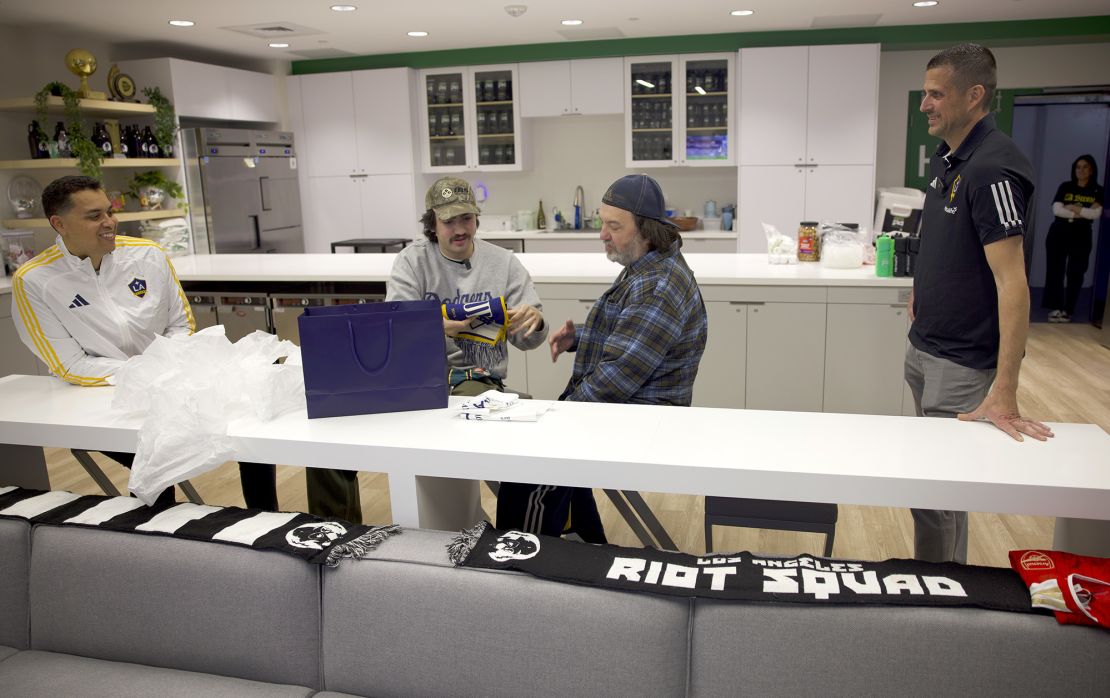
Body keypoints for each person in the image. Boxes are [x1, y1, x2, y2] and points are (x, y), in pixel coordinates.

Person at [11, 175, 278, 511]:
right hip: (102, 398)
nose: (109, 222)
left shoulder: (148, 256)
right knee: (153, 461)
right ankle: (161, 540)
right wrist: (144, 373)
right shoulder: (35, 280)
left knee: (250, 435)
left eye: (109, 212)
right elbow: (70, 364)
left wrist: (165, 370)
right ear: (58, 224)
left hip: (173, 380)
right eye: (94, 217)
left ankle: (267, 522)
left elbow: (180, 325)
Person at [498, 174, 709, 543]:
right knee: (551, 456)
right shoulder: (650, 264)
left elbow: (615, 379)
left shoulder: (658, 285)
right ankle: (587, 544)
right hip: (636, 413)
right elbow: (634, 334)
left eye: (614, 226)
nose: (602, 234)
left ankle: (521, 560)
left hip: (640, 423)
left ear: (646, 230)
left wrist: (560, 415)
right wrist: (580, 336)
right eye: (602, 222)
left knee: (529, 467)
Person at [907, 44, 1054, 563]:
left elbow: (1012, 282)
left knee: (937, 493)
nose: (925, 104)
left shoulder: (993, 168)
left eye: (935, 94)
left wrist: (1005, 388)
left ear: (975, 95)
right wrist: (921, 292)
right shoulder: (949, 158)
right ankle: (942, 582)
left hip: (961, 361)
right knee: (932, 492)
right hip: (926, 348)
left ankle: (940, 592)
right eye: (924, 92)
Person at [385, 176, 548, 530]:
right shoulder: (412, 262)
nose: (460, 230)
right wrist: (439, 326)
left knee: (474, 426)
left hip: (477, 379)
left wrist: (533, 322)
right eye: (449, 222)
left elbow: (529, 340)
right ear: (432, 225)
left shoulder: (504, 263)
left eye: (467, 219)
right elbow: (395, 329)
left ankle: (492, 530)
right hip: (418, 381)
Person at [1042, 154, 1104, 323]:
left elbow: (1096, 213)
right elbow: (1057, 210)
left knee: (1076, 272)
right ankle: (1056, 307)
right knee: (1056, 270)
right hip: (1059, 232)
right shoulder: (1066, 187)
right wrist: (1082, 211)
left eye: (1085, 167)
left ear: (1091, 170)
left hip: (1082, 235)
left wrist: (1072, 208)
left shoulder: (1097, 190)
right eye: (1078, 167)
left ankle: (1068, 310)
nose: (1081, 170)